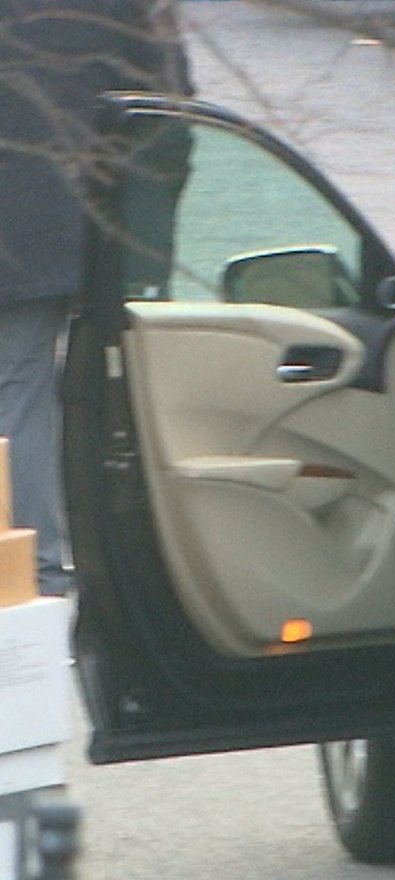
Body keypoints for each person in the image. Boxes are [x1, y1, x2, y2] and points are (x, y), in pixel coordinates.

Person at [0, 0, 192, 595]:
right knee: (71, 389)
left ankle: (36, 566)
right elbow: (167, 110)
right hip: (84, 224)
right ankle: (44, 571)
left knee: (22, 388)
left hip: (30, 229)